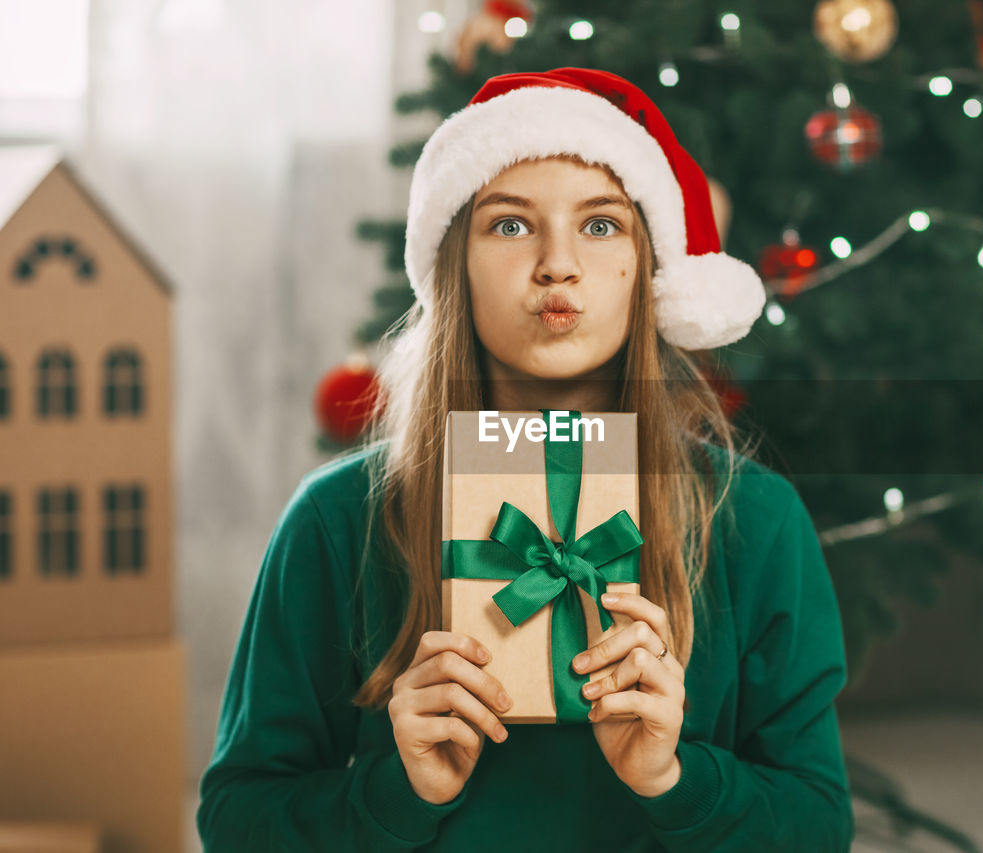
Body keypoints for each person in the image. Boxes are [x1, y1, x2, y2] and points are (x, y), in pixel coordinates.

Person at [197, 67, 854, 851]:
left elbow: (818, 828)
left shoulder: (754, 519)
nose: (558, 264)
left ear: (648, 268)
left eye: (602, 225)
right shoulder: (338, 520)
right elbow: (236, 820)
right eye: (510, 225)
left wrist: (676, 779)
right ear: (453, 264)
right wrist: (398, 791)